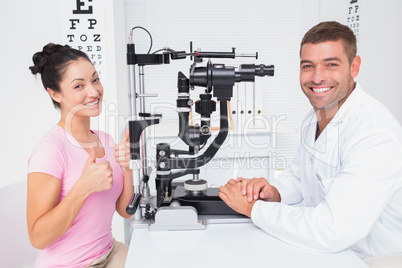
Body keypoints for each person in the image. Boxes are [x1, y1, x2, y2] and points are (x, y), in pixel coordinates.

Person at [219, 21, 402, 259]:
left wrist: (254, 209)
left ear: (354, 67)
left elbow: (333, 229)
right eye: (308, 66)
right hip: (333, 252)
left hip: (376, 259)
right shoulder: (314, 118)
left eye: (331, 65)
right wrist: (274, 192)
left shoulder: (374, 133)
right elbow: (300, 176)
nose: (317, 77)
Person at [27, 43, 134, 267]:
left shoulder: (105, 139)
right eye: (79, 86)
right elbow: (38, 238)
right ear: (55, 93)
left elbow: (124, 211)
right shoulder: (50, 149)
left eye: (95, 80)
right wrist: (84, 187)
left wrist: (129, 166)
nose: (94, 92)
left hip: (110, 251)